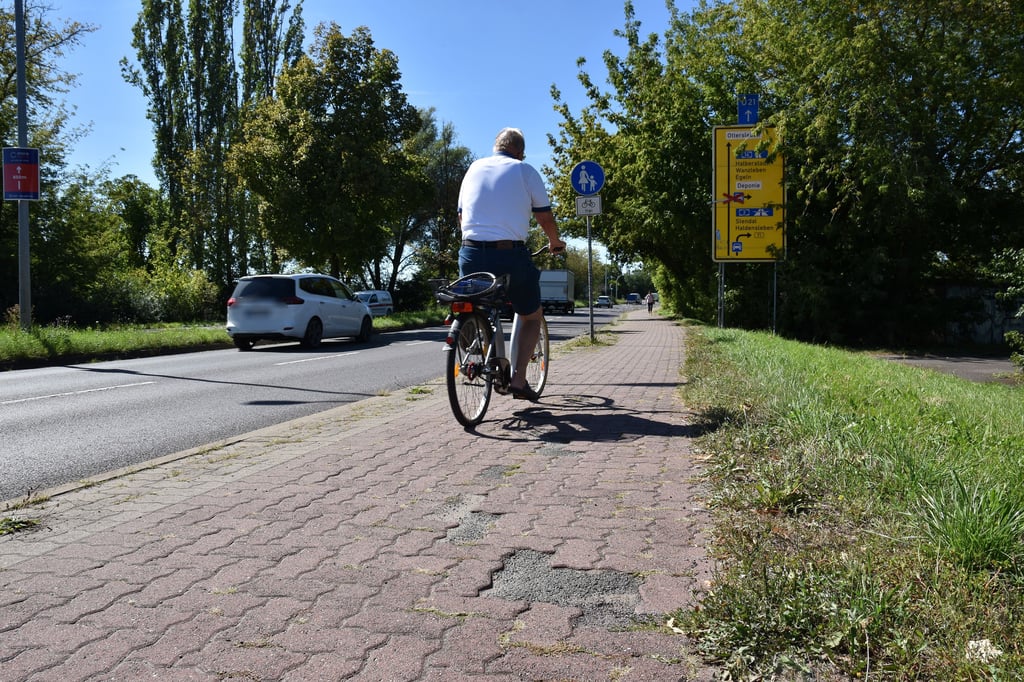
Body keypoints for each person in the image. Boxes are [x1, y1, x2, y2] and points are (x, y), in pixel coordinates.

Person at [457, 127, 566, 402]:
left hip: (470, 254)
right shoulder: (525, 171)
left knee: (478, 303)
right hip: (509, 256)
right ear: (520, 152)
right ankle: (518, 379)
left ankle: (473, 333)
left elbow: (461, 217)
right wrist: (555, 241)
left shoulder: (473, 169)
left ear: (496, 147)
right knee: (531, 315)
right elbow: (544, 217)